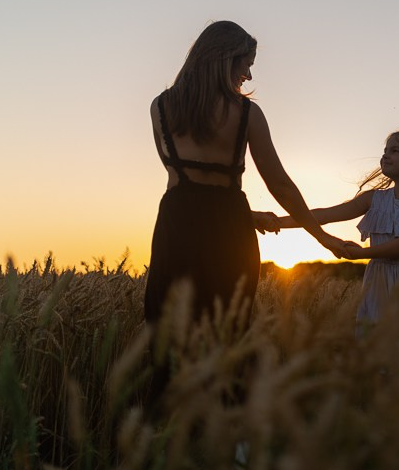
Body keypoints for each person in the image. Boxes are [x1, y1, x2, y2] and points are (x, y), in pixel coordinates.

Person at [145, 21, 345, 402]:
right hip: (229, 234)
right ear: (224, 59)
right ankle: (226, 429)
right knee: (228, 338)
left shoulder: (159, 108)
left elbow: (183, 182)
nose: (249, 75)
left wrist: (249, 216)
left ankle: (170, 429)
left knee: (169, 338)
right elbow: (280, 185)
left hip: (175, 230)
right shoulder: (247, 114)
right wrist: (321, 236)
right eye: (246, 64)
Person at [275, 127, 399, 376]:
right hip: (379, 286)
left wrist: (360, 254)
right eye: (385, 150)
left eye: (395, 150)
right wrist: (278, 221)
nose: (385, 155)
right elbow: (324, 215)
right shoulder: (374, 199)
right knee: (377, 366)